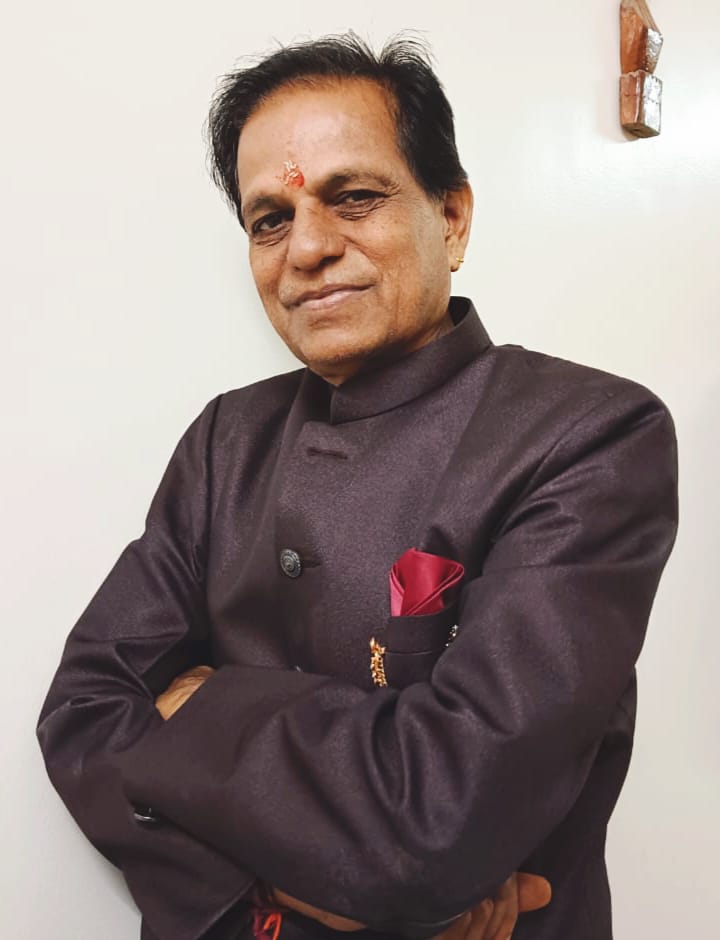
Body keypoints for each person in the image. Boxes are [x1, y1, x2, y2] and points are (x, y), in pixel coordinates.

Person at [37, 33, 678, 940]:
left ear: (451, 217)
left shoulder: (587, 434)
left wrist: (198, 703)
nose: (306, 247)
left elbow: (440, 821)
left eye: (355, 198)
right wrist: (272, 888)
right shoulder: (227, 440)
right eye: (270, 219)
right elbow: (83, 711)